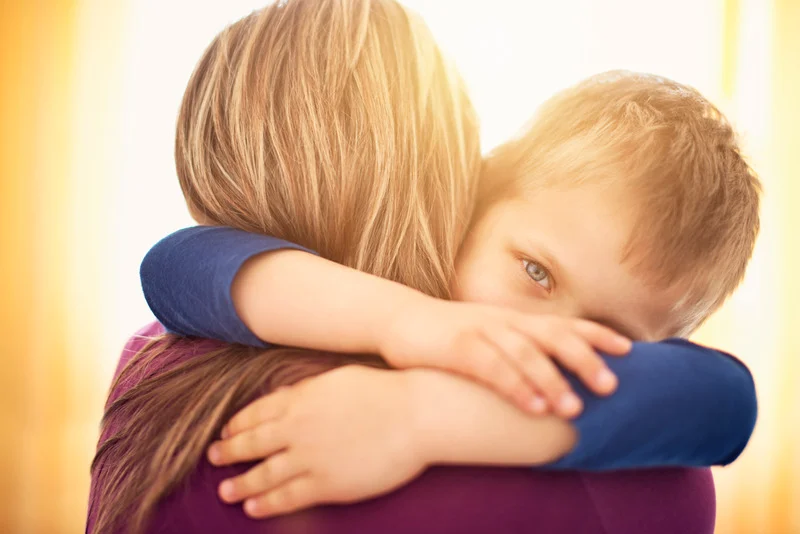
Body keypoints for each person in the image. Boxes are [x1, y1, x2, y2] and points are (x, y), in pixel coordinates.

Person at [88, 2, 757, 534]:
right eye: (535, 273)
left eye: (606, 333)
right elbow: (177, 264)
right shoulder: (641, 483)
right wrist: (410, 322)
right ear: (474, 193)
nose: (543, 337)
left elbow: (725, 401)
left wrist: (418, 411)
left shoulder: (148, 365)